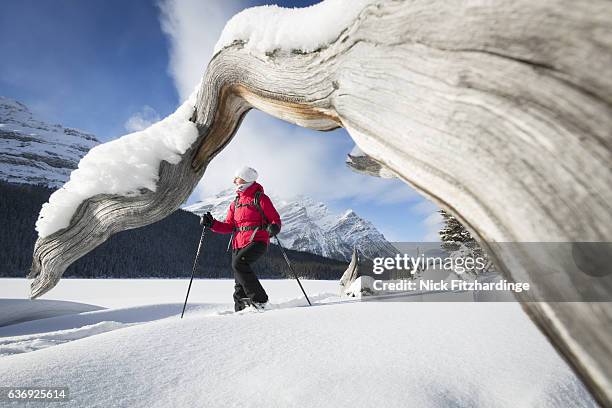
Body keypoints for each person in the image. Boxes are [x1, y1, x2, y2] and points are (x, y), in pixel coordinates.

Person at [200, 166, 281, 311]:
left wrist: (274, 227)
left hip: (257, 241)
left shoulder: (260, 198)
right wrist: (212, 224)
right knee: (239, 280)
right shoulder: (235, 203)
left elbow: (275, 219)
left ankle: (260, 300)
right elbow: (228, 226)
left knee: (239, 264)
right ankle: (240, 309)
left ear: (245, 179)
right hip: (238, 244)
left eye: (236, 178)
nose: (233, 181)